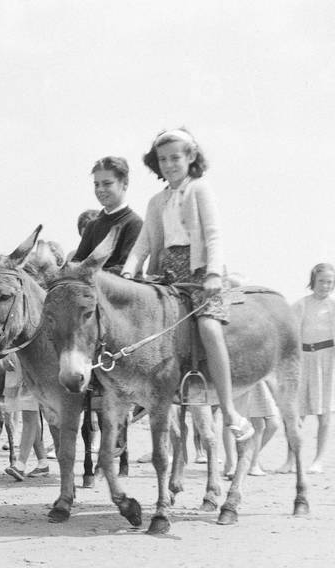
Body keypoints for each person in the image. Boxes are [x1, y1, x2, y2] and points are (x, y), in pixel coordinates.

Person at [121, 127, 254, 444]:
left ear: (190, 157)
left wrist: (212, 273)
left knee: (208, 328)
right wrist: (128, 273)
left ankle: (229, 408)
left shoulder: (200, 190)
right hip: (167, 272)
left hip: (200, 273)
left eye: (175, 157)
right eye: (162, 159)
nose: (168, 164)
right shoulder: (157, 200)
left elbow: (214, 235)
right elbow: (143, 245)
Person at [278, 263, 335, 473]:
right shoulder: (301, 304)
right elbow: (286, 327)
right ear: (313, 281)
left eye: (330, 282)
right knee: (296, 412)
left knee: (324, 413)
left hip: (328, 360)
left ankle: (318, 460)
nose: (325, 286)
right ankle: (291, 459)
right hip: (304, 359)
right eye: (321, 282)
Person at [72, 157, 143, 271]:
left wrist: (87, 272)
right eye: (96, 184)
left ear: (125, 183)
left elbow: (125, 268)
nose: (100, 189)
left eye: (107, 183)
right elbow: (77, 261)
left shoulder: (134, 223)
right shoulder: (92, 226)